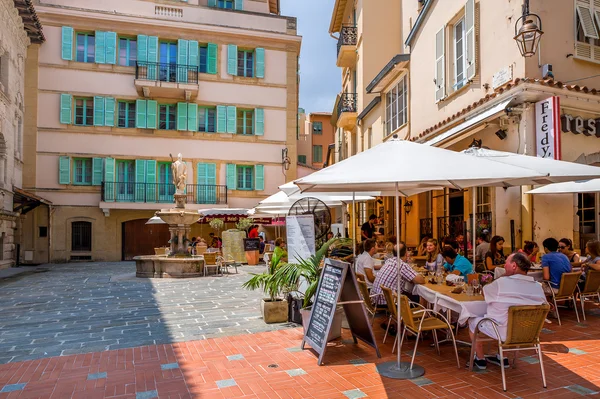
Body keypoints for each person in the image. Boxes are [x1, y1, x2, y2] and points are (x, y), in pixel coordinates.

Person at [467, 253, 546, 370]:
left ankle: (480, 359)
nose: (504, 265)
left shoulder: (501, 283)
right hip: (529, 333)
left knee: (472, 319)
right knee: (507, 318)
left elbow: (484, 292)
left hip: (501, 331)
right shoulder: (538, 287)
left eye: (507, 263)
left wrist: (502, 277)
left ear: (514, 266)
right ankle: (502, 357)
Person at [370, 242, 425, 307]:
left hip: (376, 300)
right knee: (419, 296)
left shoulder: (389, 261)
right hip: (388, 303)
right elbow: (421, 281)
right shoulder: (401, 265)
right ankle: (424, 313)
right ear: (406, 253)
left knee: (409, 293)